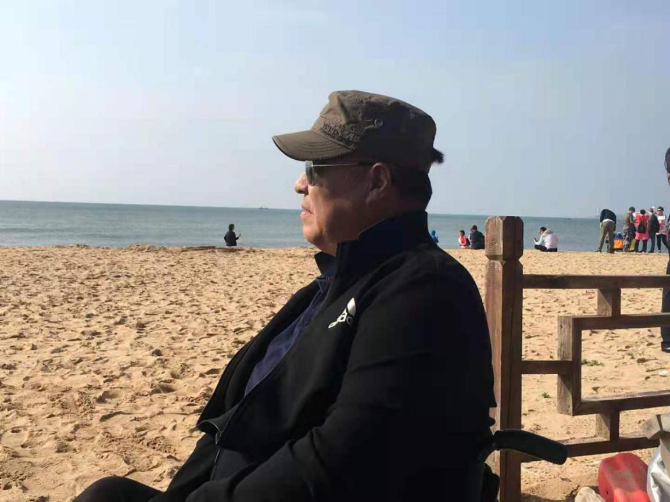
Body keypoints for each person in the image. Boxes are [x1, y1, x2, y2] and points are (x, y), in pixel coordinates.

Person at [74, 90, 496, 501]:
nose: (299, 184)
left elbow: (344, 462)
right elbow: (230, 422)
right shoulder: (333, 287)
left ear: (377, 181)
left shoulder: (426, 291)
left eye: (315, 168)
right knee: (108, 493)